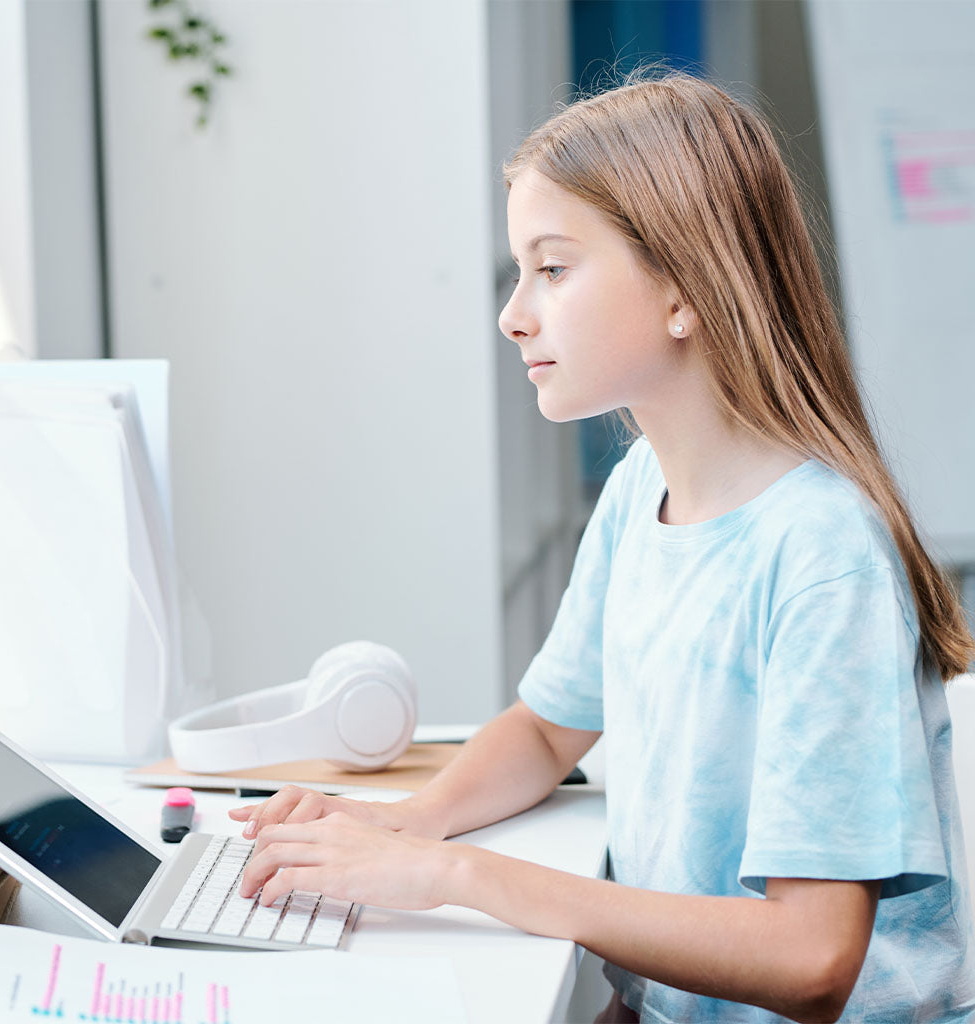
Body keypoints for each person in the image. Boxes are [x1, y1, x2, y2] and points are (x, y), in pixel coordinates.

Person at [231, 73, 975, 1022]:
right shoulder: (641, 493)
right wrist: (406, 824)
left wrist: (455, 873)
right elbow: (547, 729)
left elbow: (812, 958)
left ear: (683, 290)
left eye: (552, 268)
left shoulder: (822, 555)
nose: (513, 314)